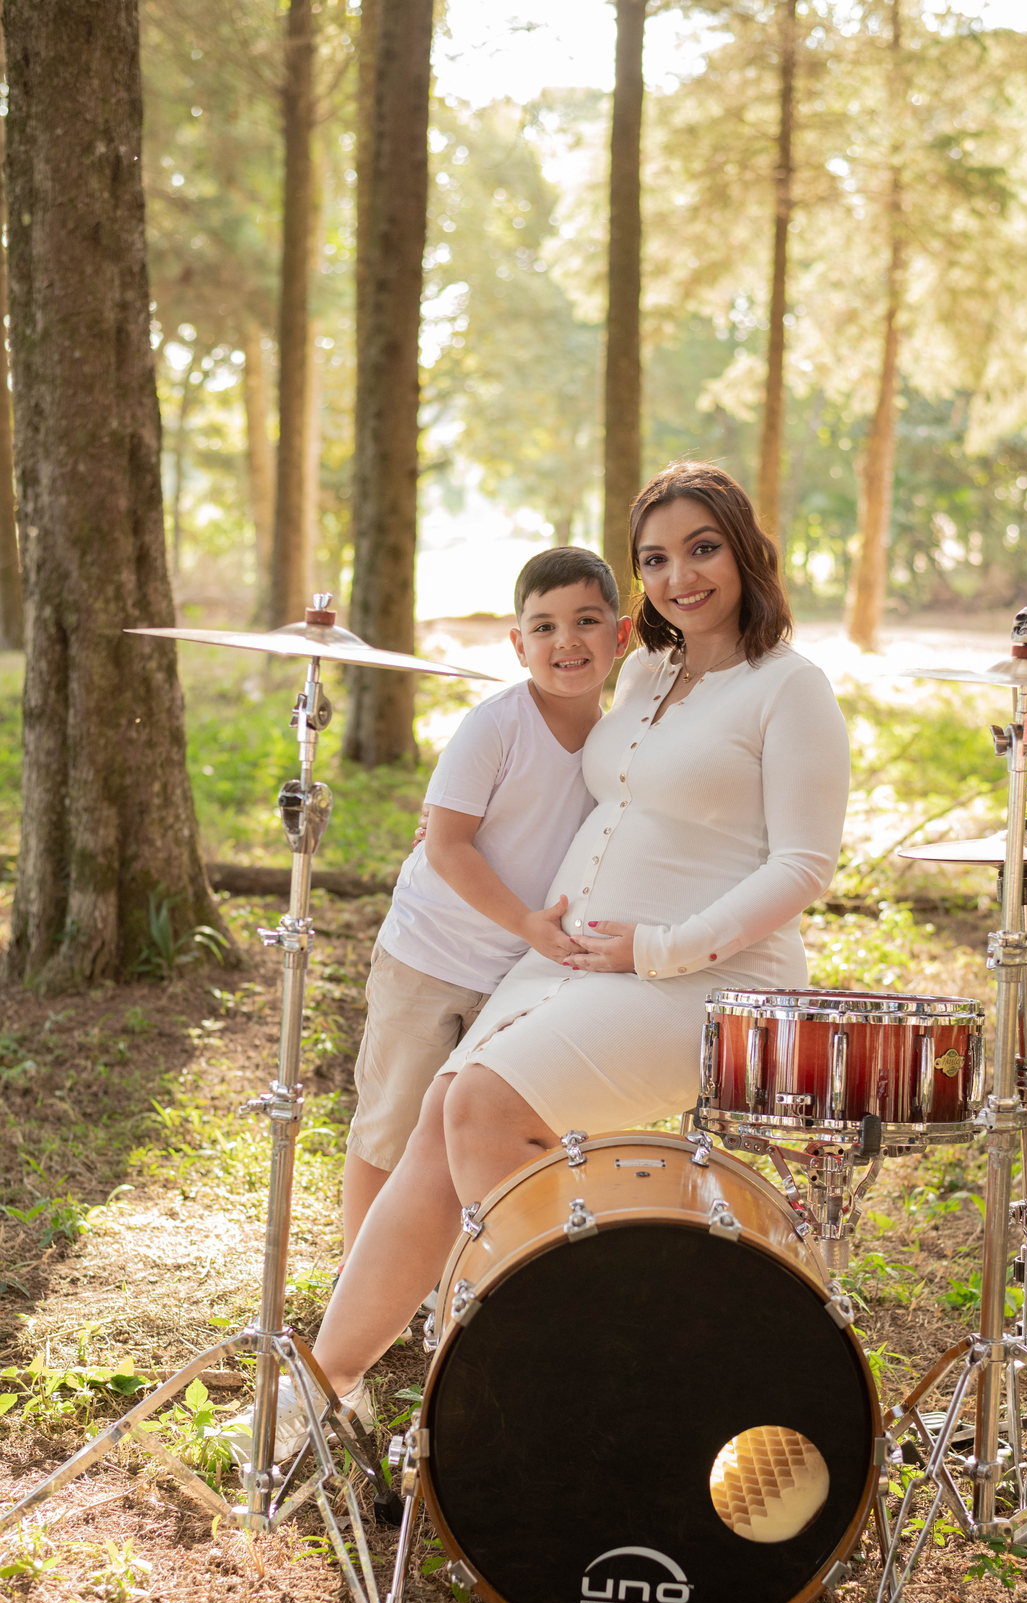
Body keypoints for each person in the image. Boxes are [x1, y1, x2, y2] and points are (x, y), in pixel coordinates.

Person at [244, 460, 850, 1457]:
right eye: (656, 558)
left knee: (482, 1104)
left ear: (744, 548)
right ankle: (319, 1389)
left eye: (702, 548)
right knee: (444, 1115)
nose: (681, 575)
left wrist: (658, 947)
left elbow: (805, 864)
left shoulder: (791, 688)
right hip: (572, 963)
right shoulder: (649, 672)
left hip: (703, 979)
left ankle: (592, 1370)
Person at [219, 545, 630, 1460]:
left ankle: (437, 1293)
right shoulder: (496, 725)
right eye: (545, 627)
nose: (567, 642)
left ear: (623, 632)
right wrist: (524, 920)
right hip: (432, 952)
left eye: (586, 621)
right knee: (390, 1126)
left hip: (521, 971)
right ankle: (358, 1321)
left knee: (454, 1134)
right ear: (517, 643)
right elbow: (447, 846)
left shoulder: (618, 738)